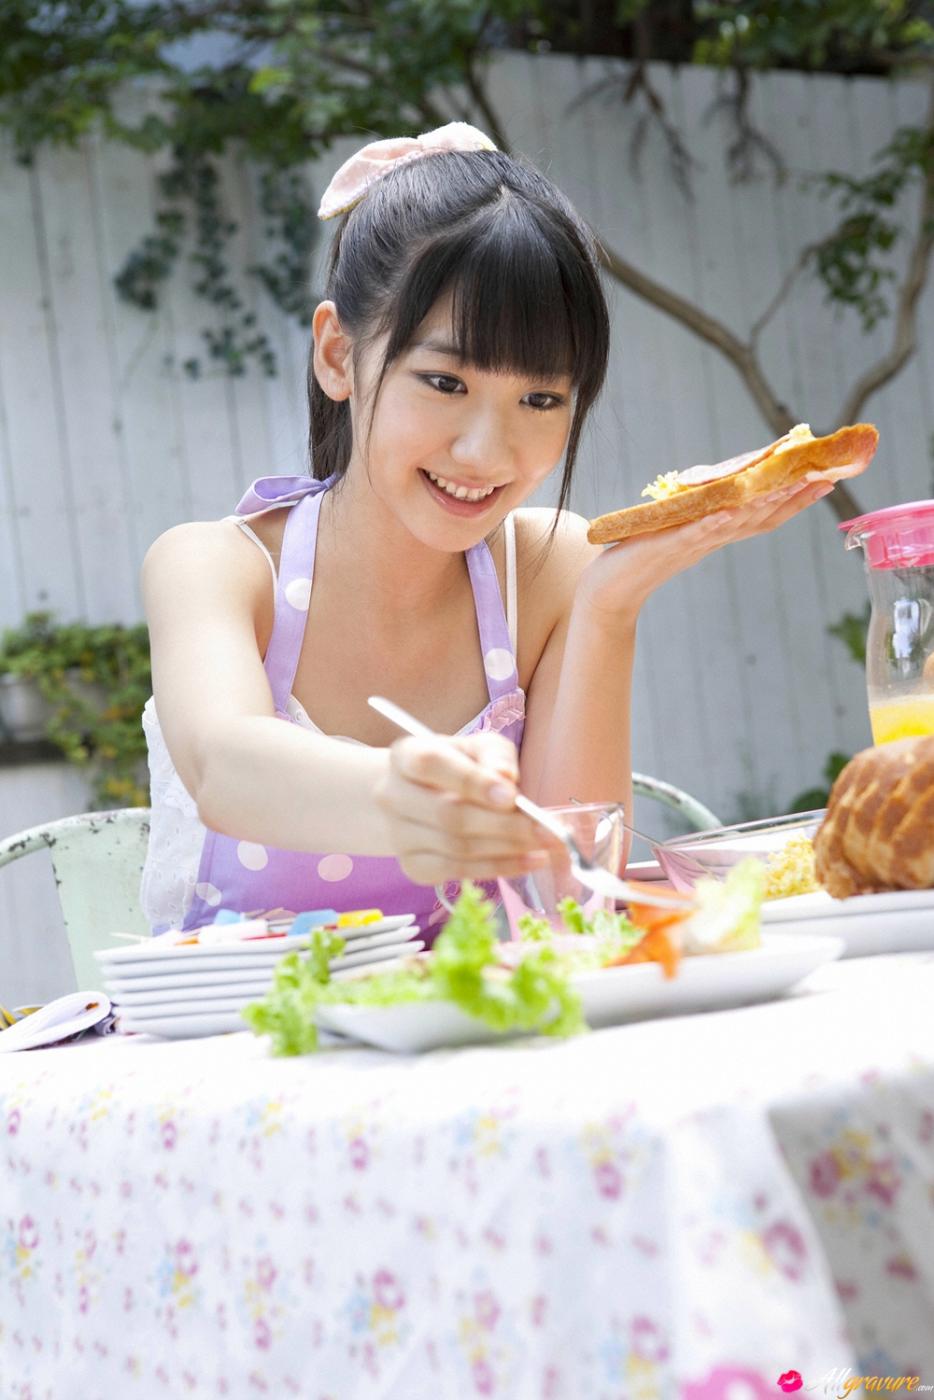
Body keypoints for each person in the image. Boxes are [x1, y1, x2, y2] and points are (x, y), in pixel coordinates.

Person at [139, 121, 833, 938]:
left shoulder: (549, 568)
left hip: (477, 1018)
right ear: (337, 355)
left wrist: (610, 603)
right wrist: (400, 794)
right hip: (246, 1019)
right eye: (444, 382)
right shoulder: (217, 565)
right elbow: (225, 768)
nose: (486, 453)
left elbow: (570, 905)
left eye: (540, 400)